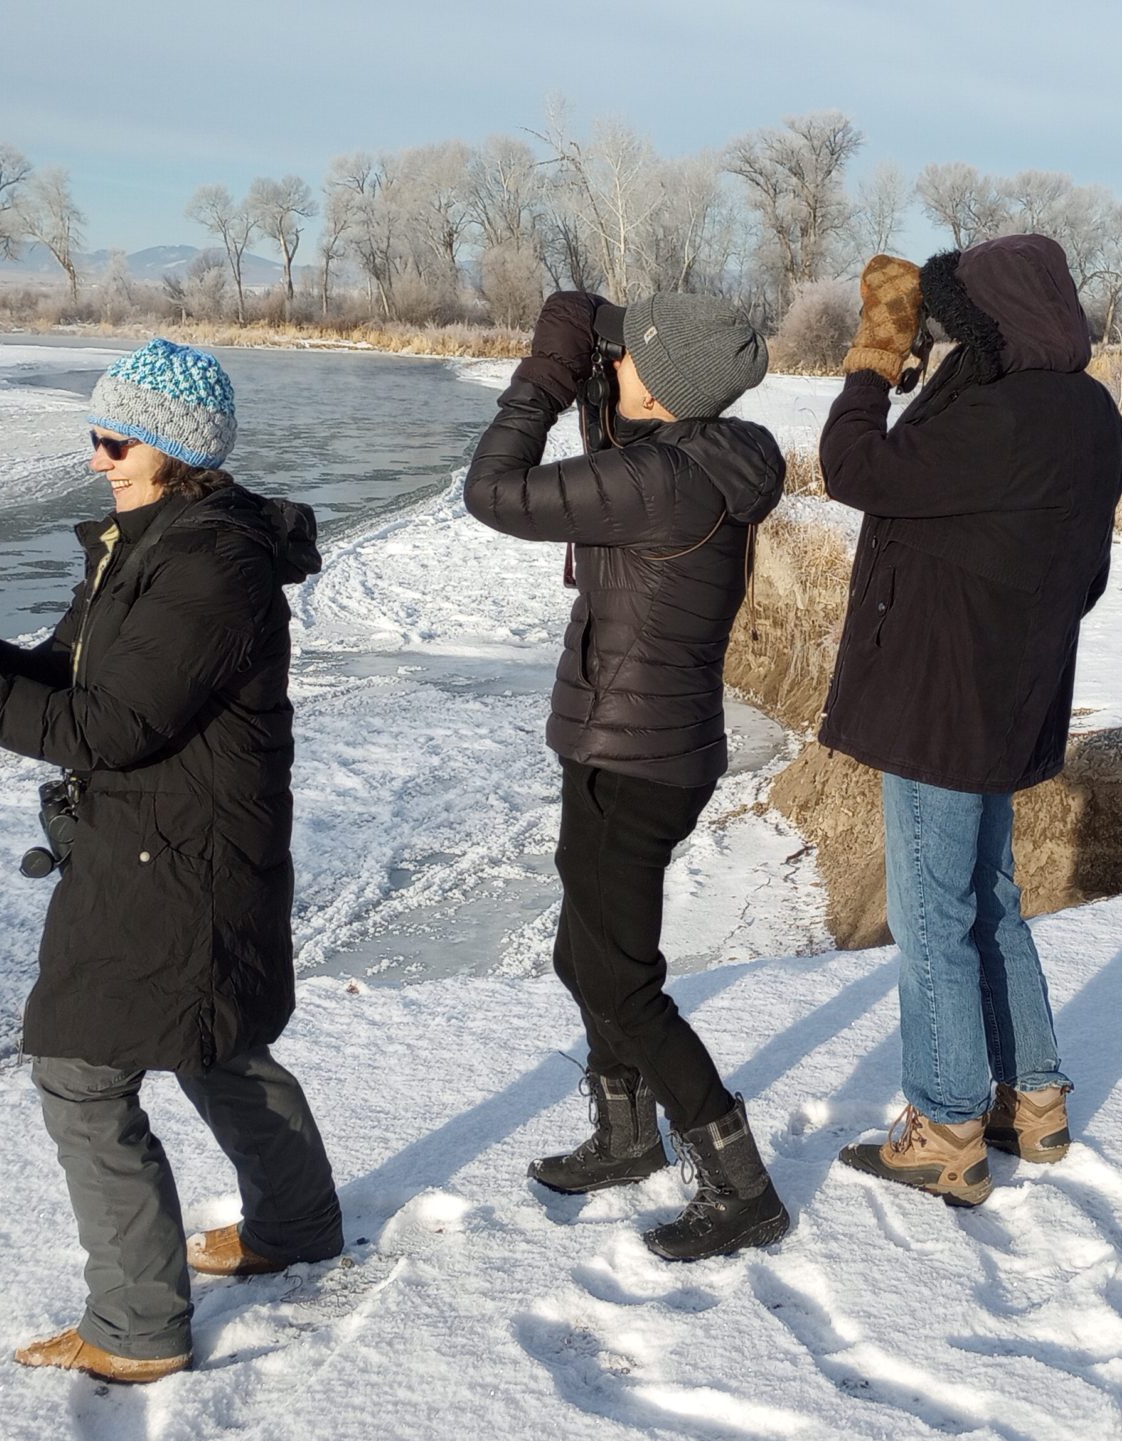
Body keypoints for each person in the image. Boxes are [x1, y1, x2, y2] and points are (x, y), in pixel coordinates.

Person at [0, 339, 337, 1382]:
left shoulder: (211, 561)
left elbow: (105, 726)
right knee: (212, 1030)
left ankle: (138, 1327)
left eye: (113, 439)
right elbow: (62, 673)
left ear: (173, 447)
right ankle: (296, 1226)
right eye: (94, 436)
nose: (96, 458)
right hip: (159, 835)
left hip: (183, 850)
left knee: (84, 1066)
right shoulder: (146, 539)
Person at [464, 290, 790, 1261]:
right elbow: (624, 429)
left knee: (619, 975)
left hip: (635, 758)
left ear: (671, 387)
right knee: (584, 956)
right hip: (629, 743)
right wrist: (598, 337)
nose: (615, 374)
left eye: (629, 361)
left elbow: (495, 493)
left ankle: (740, 1184)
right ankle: (623, 1132)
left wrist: (540, 378)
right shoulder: (696, 460)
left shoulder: (662, 482)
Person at [818, 237, 1122, 1208]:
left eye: (965, 324)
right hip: (1011, 695)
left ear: (1000, 324)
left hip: (940, 702)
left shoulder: (996, 420)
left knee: (931, 915)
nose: (956, 342)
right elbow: (1084, 578)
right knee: (988, 893)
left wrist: (876, 355)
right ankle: (1031, 1099)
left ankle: (947, 1124)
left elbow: (854, 464)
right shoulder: (1090, 417)